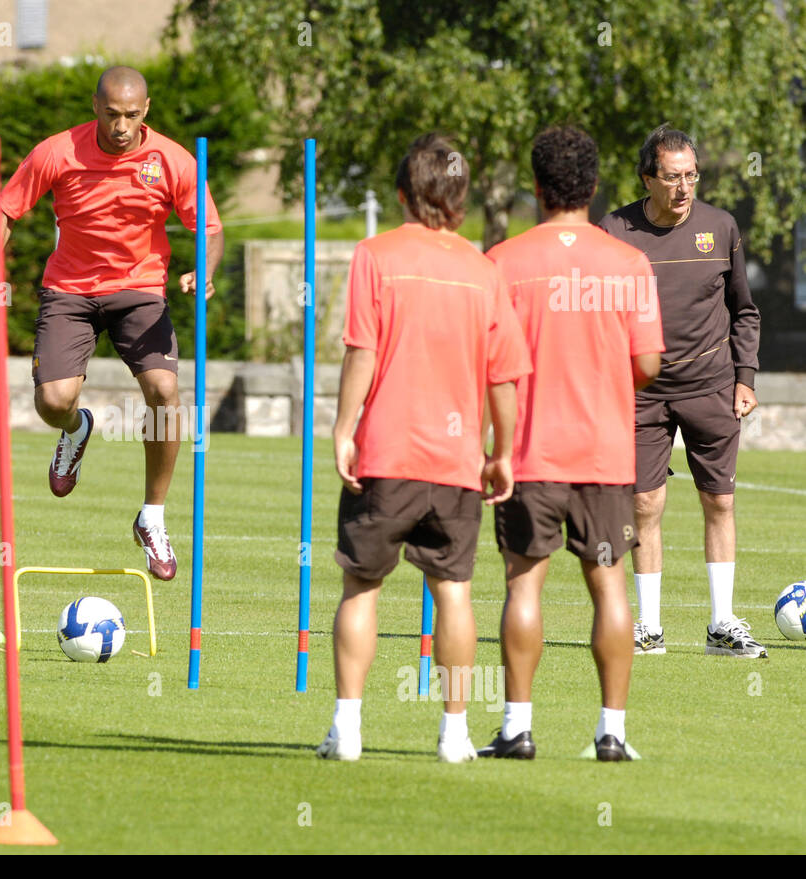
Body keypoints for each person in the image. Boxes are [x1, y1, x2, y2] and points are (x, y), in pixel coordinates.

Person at [317, 133, 531, 764]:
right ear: (461, 201)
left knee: (361, 587)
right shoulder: (484, 270)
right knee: (454, 594)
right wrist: (504, 452)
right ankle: (455, 735)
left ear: (404, 195)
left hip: (386, 453)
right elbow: (504, 378)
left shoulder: (374, 255)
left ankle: (348, 731)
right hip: (457, 460)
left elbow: (363, 350)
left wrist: (343, 426)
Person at [0, 66, 224, 581]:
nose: (121, 126)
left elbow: (210, 228)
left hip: (141, 289)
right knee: (53, 401)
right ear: (95, 106)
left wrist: (204, 268)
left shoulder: (174, 160)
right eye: (111, 114)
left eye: (131, 115)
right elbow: (4, 211)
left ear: (145, 110)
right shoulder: (57, 152)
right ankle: (76, 429)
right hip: (70, 290)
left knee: (164, 391)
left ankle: (152, 516)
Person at [483, 127, 663, 762]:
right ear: (594, 187)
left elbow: (486, 362)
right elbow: (647, 364)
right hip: (605, 455)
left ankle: (516, 729)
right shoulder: (628, 262)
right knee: (610, 585)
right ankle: (611, 733)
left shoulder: (501, 261)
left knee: (524, 585)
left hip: (528, 454)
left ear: (535, 186)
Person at [600, 126, 765, 658]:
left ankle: (722, 625)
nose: (683, 187)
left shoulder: (721, 227)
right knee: (644, 502)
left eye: (691, 176)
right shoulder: (614, 230)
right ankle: (648, 627)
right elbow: (600, 316)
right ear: (647, 177)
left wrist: (745, 378)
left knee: (719, 499)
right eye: (671, 177)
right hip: (640, 394)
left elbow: (744, 309)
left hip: (711, 386)